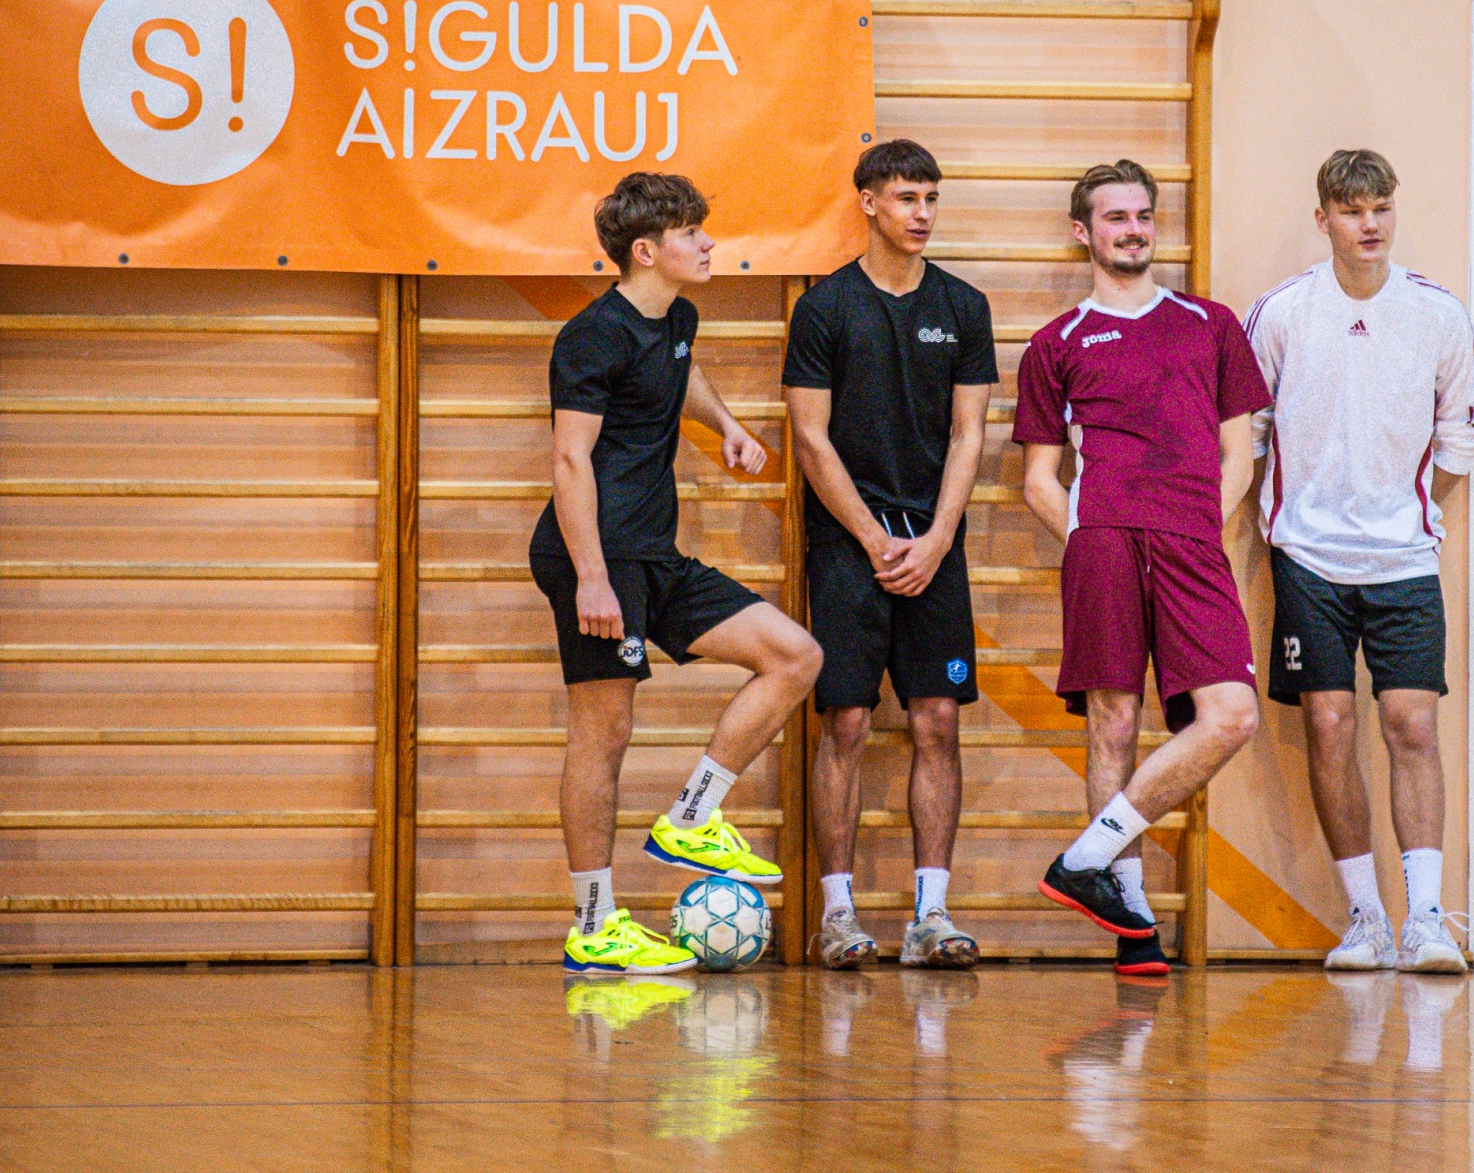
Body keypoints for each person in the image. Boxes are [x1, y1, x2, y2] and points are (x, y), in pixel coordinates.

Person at [531, 171, 824, 974]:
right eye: (692, 233)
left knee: (794, 655)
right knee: (604, 733)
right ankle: (594, 925)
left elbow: (682, 371)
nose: (707, 242)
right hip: (596, 554)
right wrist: (591, 577)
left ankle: (692, 818)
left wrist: (725, 422)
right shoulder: (591, 337)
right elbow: (569, 460)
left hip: (653, 552)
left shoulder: (678, 317)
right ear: (646, 250)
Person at [1014, 159, 1270, 975]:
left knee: (1230, 715)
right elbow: (1038, 478)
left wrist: (1200, 521)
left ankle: (1084, 858)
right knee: (1113, 722)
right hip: (1103, 540)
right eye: (1115, 217)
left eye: (1142, 216)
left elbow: (1240, 455)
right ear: (1083, 232)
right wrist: (1087, 533)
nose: (1133, 230)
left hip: (1190, 541)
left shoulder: (1210, 323)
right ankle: (1133, 930)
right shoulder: (1056, 343)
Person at [1243, 149, 1474, 974]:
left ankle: (1426, 922)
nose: (1369, 224)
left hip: (1404, 559)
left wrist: (1402, 510)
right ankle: (1366, 920)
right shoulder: (1281, 313)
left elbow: (1460, 437)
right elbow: (1246, 435)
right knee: (1329, 724)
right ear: (1324, 220)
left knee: (1412, 723)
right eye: (1352, 211)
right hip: (1306, 558)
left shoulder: (1437, 314)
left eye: (1381, 208)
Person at [785, 139, 997, 971]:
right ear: (869, 203)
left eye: (932, 198)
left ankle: (930, 916)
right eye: (908, 197)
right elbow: (810, 438)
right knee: (845, 720)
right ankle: (838, 916)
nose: (923, 213)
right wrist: (875, 539)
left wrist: (936, 539)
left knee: (937, 719)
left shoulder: (964, 306)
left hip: (934, 545)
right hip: (850, 548)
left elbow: (969, 433)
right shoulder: (825, 307)